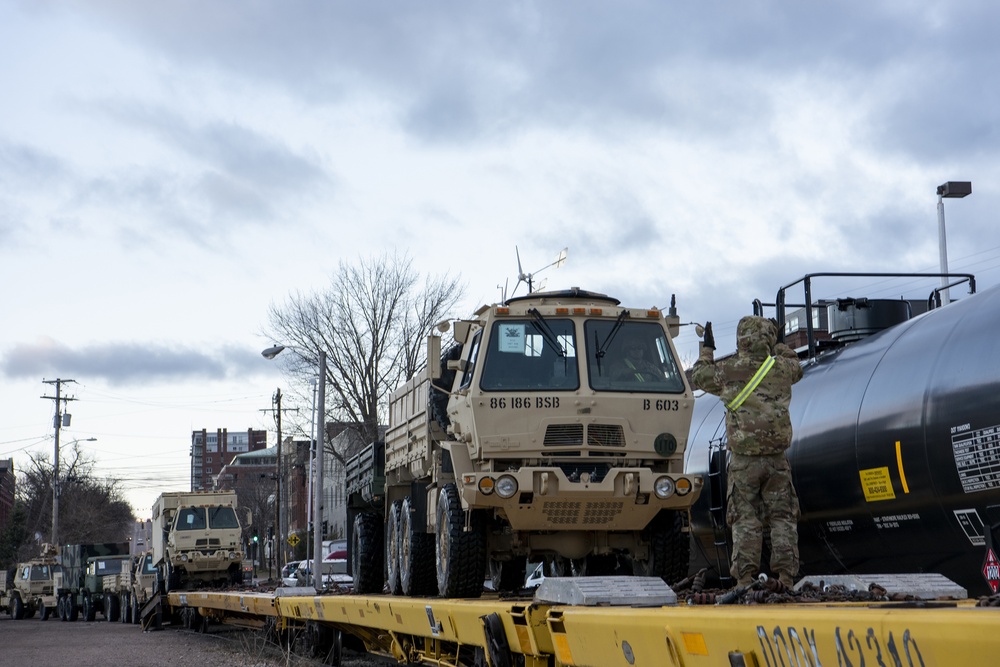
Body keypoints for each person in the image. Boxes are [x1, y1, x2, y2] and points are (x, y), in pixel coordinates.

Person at [690, 316, 803, 588]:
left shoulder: (730, 370)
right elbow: (796, 366)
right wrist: (778, 344)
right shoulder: (782, 369)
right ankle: (786, 578)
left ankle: (744, 579)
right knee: (783, 518)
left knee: (744, 518)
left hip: (744, 463)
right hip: (777, 461)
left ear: (741, 338)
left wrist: (707, 349)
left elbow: (699, 375)